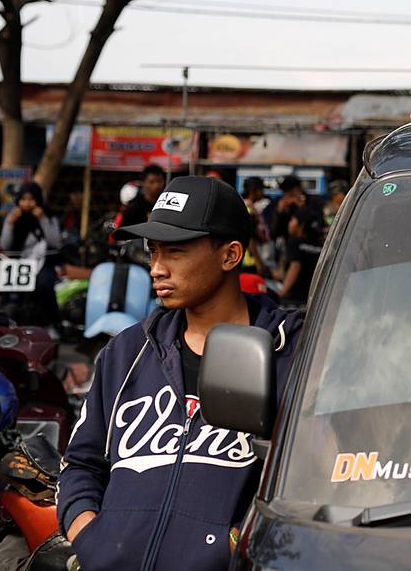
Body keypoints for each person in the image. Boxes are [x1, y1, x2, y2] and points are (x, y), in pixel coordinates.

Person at [58, 176, 302, 571]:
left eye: (175, 251)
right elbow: (81, 463)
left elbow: (310, 480)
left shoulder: (292, 353)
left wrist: (233, 546)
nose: (156, 268)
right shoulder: (126, 352)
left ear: (231, 254)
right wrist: (91, 538)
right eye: (152, 251)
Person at [0, 181, 62, 326]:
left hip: (43, 262)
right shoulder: (12, 216)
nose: (27, 204)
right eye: (23, 200)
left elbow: (55, 242)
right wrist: (10, 224)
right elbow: (4, 245)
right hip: (17, 263)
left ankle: (50, 323)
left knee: (44, 284)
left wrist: (43, 219)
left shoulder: (49, 215)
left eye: (31, 199)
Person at [279, 204, 325, 307]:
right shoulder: (320, 246)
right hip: (313, 300)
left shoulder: (294, 242)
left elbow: (295, 266)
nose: (289, 224)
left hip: (293, 301)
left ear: (301, 225)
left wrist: (282, 292)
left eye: (292, 220)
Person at [115, 164, 166, 232]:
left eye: (159, 181)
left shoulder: (166, 205)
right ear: (144, 183)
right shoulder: (133, 207)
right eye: (152, 182)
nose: (156, 186)